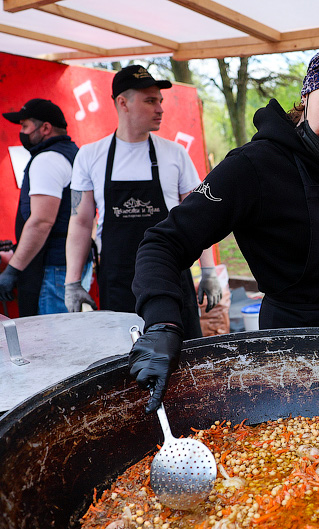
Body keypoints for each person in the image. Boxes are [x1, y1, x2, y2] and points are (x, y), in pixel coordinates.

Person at [127, 33, 319, 411]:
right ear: (308, 93)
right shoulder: (252, 167)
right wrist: (162, 323)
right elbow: (163, 243)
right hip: (293, 359)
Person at [63, 65, 221, 339]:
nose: (160, 109)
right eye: (150, 101)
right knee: (124, 354)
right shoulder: (90, 155)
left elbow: (200, 217)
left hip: (170, 275)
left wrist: (209, 271)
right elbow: (80, 222)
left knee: (183, 354)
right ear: (122, 103)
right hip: (118, 278)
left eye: (160, 100)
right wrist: (72, 283)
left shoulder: (175, 154)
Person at [0, 98, 90, 315]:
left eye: (25, 126)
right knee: (71, 330)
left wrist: (13, 269)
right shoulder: (73, 153)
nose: (22, 132)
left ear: (46, 128)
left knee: (54, 334)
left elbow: (41, 221)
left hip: (54, 269)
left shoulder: (48, 159)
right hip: (72, 263)